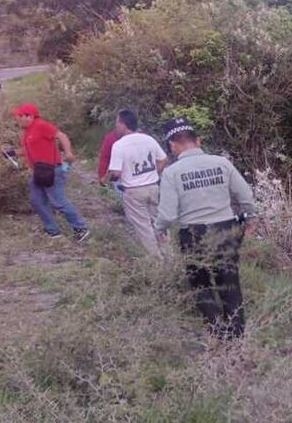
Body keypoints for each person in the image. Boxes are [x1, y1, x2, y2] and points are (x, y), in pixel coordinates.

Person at [154, 118, 255, 339]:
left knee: (200, 284)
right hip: (225, 229)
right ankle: (236, 337)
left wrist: (158, 228)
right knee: (229, 283)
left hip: (193, 234)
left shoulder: (172, 172)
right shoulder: (222, 163)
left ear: (172, 145)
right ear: (198, 141)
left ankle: (217, 332)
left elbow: (168, 214)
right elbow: (246, 197)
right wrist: (249, 219)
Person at [12, 103, 90, 241]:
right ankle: (53, 230)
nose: (16, 119)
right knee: (36, 200)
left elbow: (62, 136)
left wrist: (68, 153)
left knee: (58, 202)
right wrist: (12, 153)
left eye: (19, 116)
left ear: (28, 116)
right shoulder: (27, 132)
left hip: (52, 170)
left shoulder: (41, 125)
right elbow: (27, 150)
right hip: (38, 172)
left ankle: (81, 228)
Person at [107, 109, 168, 258]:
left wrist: (110, 179)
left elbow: (115, 173)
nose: (116, 126)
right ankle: (168, 255)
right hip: (153, 187)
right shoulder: (148, 139)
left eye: (117, 123)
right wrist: (154, 173)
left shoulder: (119, 145)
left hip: (133, 191)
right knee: (158, 223)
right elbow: (163, 159)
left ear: (123, 124)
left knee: (143, 228)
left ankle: (156, 262)